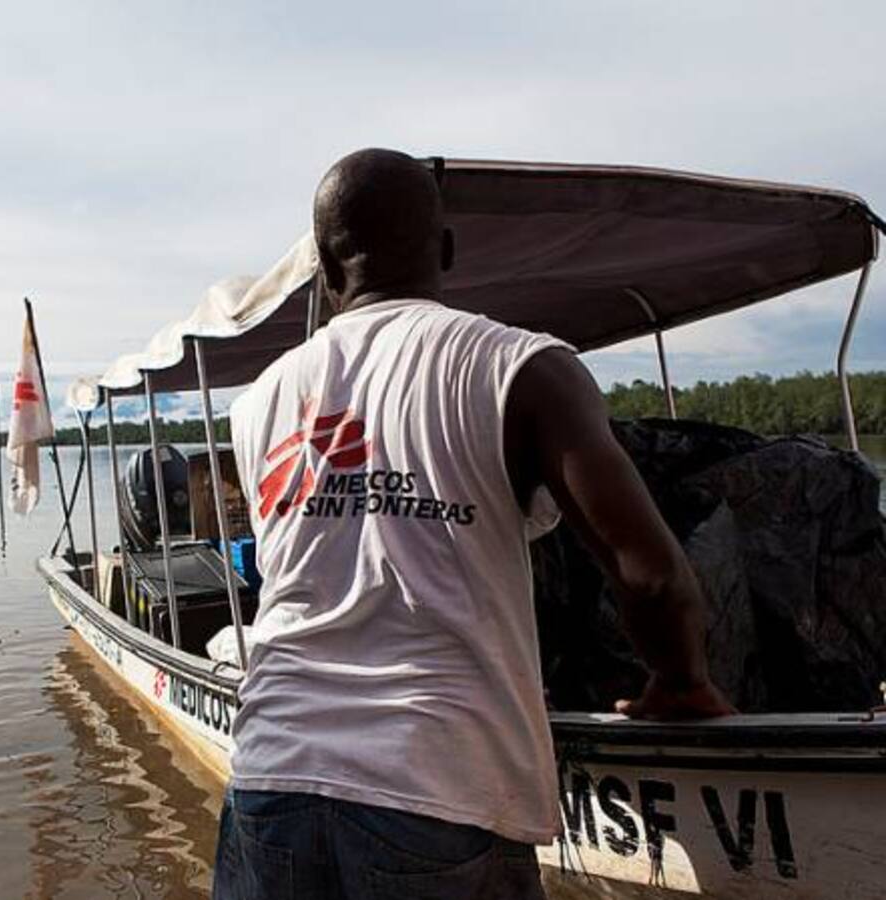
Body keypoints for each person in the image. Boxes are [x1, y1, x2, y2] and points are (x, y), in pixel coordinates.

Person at [214, 148, 734, 900]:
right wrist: (681, 682)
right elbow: (649, 575)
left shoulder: (257, 402)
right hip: (439, 790)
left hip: (267, 783)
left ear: (324, 268)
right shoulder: (523, 368)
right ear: (448, 250)